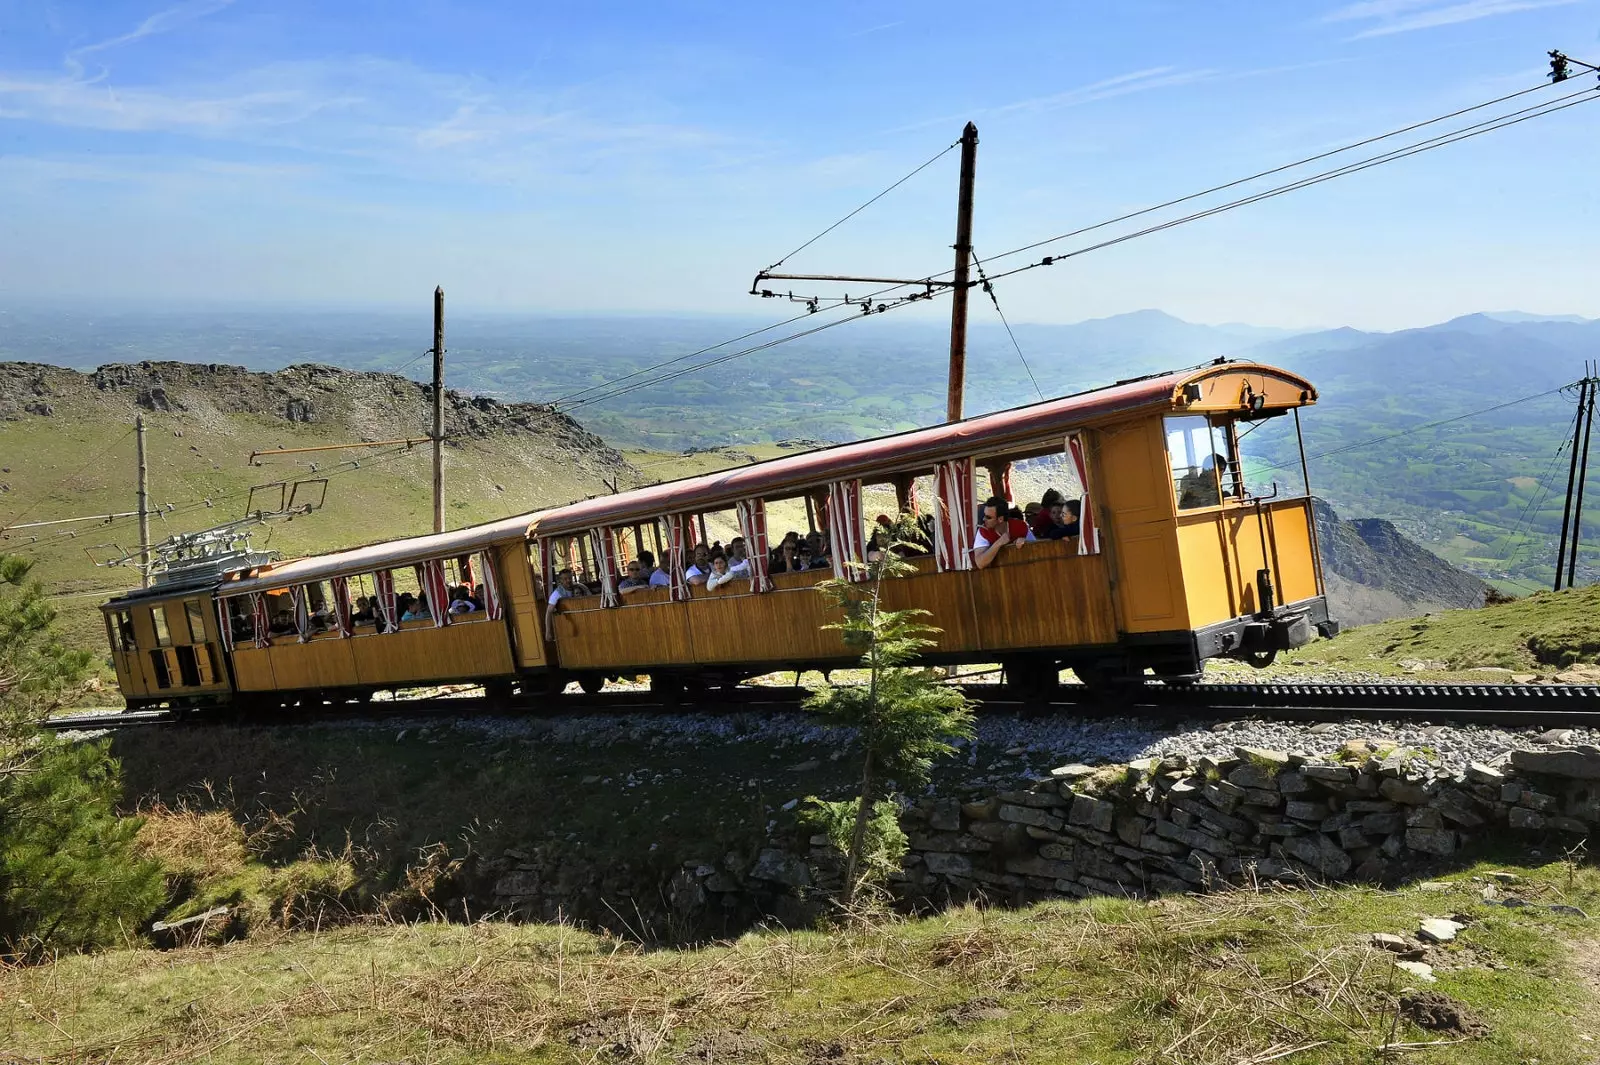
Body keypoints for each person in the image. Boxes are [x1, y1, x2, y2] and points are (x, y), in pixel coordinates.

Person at [973, 495, 1027, 569]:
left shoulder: (1020, 526)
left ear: (1000, 519)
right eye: (984, 515)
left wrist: (1025, 541)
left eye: (988, 517)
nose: (983, 519)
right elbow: (980, 563)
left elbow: (1036, 545)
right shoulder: (983, 531)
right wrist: (999, 543)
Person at [545, 568, 578, 639]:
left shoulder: (579, 587)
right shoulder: (556, 594)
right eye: (565, 579)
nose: (568, 580)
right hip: (566, 624)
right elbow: (549, 612)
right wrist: (548, 632)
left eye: (570, 578)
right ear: (560, 581)